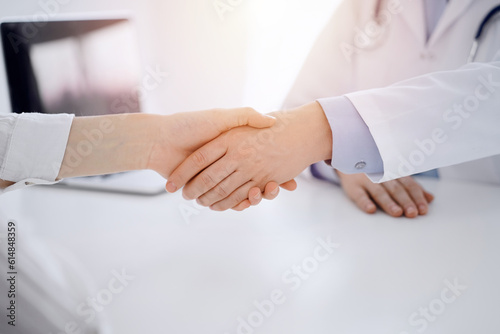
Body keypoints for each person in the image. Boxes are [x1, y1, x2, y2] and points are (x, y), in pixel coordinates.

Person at [165, 0, 500, 216]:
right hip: (370, 227)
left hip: (481, 210)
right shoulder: (364, 6)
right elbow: (297, 106)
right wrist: (345, 165)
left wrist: (322, 132)